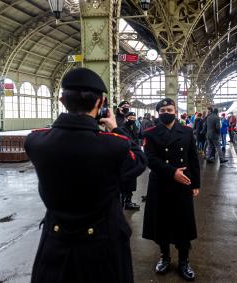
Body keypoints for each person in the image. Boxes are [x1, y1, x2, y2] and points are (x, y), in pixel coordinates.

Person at [25, 68, 147, 283]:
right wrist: (116, 129)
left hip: (55, 246)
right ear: (101, 103)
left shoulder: (36, 142)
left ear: (62, 100)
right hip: (103, 247)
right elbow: (138, 161)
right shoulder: (114, 145)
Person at [142, 98, 200, 281]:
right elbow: (150, 159)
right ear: (158, 113)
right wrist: (171, 172)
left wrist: (196, 183)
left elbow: (193, 159)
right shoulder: (150, 133)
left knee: (183, 223)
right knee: (162, 223)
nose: (166, 112)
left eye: (169, 109)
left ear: (175, 111)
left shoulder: (187, 131)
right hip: (160, 183)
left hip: (183, 183)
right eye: (163, 110)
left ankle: (184, 261)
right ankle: (165, 257)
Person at [121, 112, 142, 210]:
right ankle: (123, 202)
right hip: (126, 157)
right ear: (126, 118)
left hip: (134, 157)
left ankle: (128, 201)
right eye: (130, 117)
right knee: (126, 180)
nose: (132, 119)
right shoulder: (122, 129)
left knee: (132, 180)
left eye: (134, 118)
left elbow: (139, 137)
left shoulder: (135, 128)